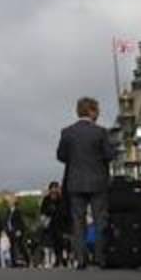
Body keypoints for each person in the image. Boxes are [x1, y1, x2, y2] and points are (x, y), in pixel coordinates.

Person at [57, 97, 116, 270]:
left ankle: (81, 259)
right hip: (98, 181)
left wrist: (75, 159)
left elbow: (60, 156)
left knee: (78, 221)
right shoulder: (101, 132)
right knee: (100, 220)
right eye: (97, 110)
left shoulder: (67, 132)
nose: (98, 114)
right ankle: (100, 257)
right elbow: (109, 155)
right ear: (91, 111)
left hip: (75, 181)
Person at [38, 181, 65, 268]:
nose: (54, 190)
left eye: (55, 188)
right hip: (49, 224)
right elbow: (42, 211)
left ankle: (59, 259)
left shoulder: (61, 199)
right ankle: (54, 260)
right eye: (52, 188)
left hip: (60, 224)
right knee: (51, 242)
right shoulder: (46, 199)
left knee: (60, 242)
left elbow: (64, 211)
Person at [2, 194, 29, 268]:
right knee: (12, 247)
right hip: (10, 232)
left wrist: (19, 230)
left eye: (10, 201)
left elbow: (21, 222)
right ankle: (13, 262)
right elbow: (6, 221)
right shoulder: (8, 211)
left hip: (17, 231)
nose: (9, 202)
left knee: (20, 246)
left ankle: (27, 260)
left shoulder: (17, 211)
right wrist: (5, 230)